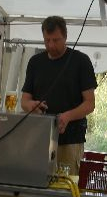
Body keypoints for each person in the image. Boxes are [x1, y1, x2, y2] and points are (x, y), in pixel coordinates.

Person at [20, 16, 97, 174]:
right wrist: (31, 105)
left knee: (66, 184)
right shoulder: (35, 62)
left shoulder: (81, 61)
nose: (51, 45)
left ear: (65, 37)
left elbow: (90, 104)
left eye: (56, 40)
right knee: (37, 181)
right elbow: (24, 101)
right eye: (47, 40)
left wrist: (67, 116)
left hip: (70, 140)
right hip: (39, 139)